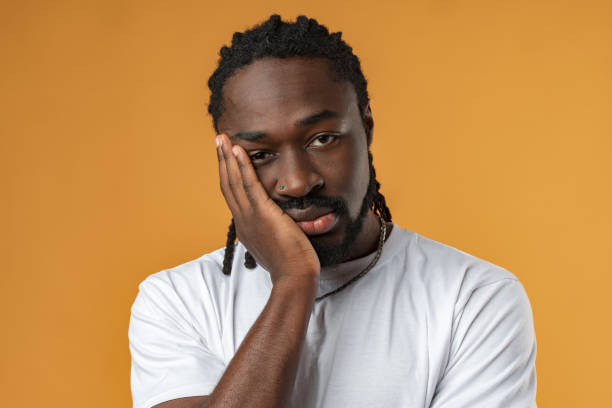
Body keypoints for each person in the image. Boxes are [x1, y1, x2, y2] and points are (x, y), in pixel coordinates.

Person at [128, 15, 537, 408]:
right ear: (228, 163)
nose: (299, 181)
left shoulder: (473, 298)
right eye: (261, 154)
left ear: (366, 126)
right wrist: (293, 282)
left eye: (322, 139)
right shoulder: (176, 300)